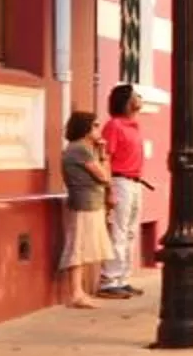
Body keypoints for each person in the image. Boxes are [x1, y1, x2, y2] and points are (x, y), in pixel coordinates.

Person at [97, 83, 154, 299]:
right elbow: (106, 158)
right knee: (118, 231)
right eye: (136, 95)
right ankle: (109, 280)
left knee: (130, 231)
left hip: (135, 182)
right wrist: (109, 188)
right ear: (127, 101)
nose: (140, 98)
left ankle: (123, 278)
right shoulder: (114, 126)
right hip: (120, 181)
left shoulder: (134, 126)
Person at [57, 110, 109, 309]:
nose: (98, 129)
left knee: (84, 246)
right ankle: (76, 293)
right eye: (95, 125)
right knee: (78, 247)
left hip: (89, 202)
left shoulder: (81, 149)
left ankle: (80, 291)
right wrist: (103, 156)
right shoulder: (80, 150)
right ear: (85, 128)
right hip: (84, 202)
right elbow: (104, 177)